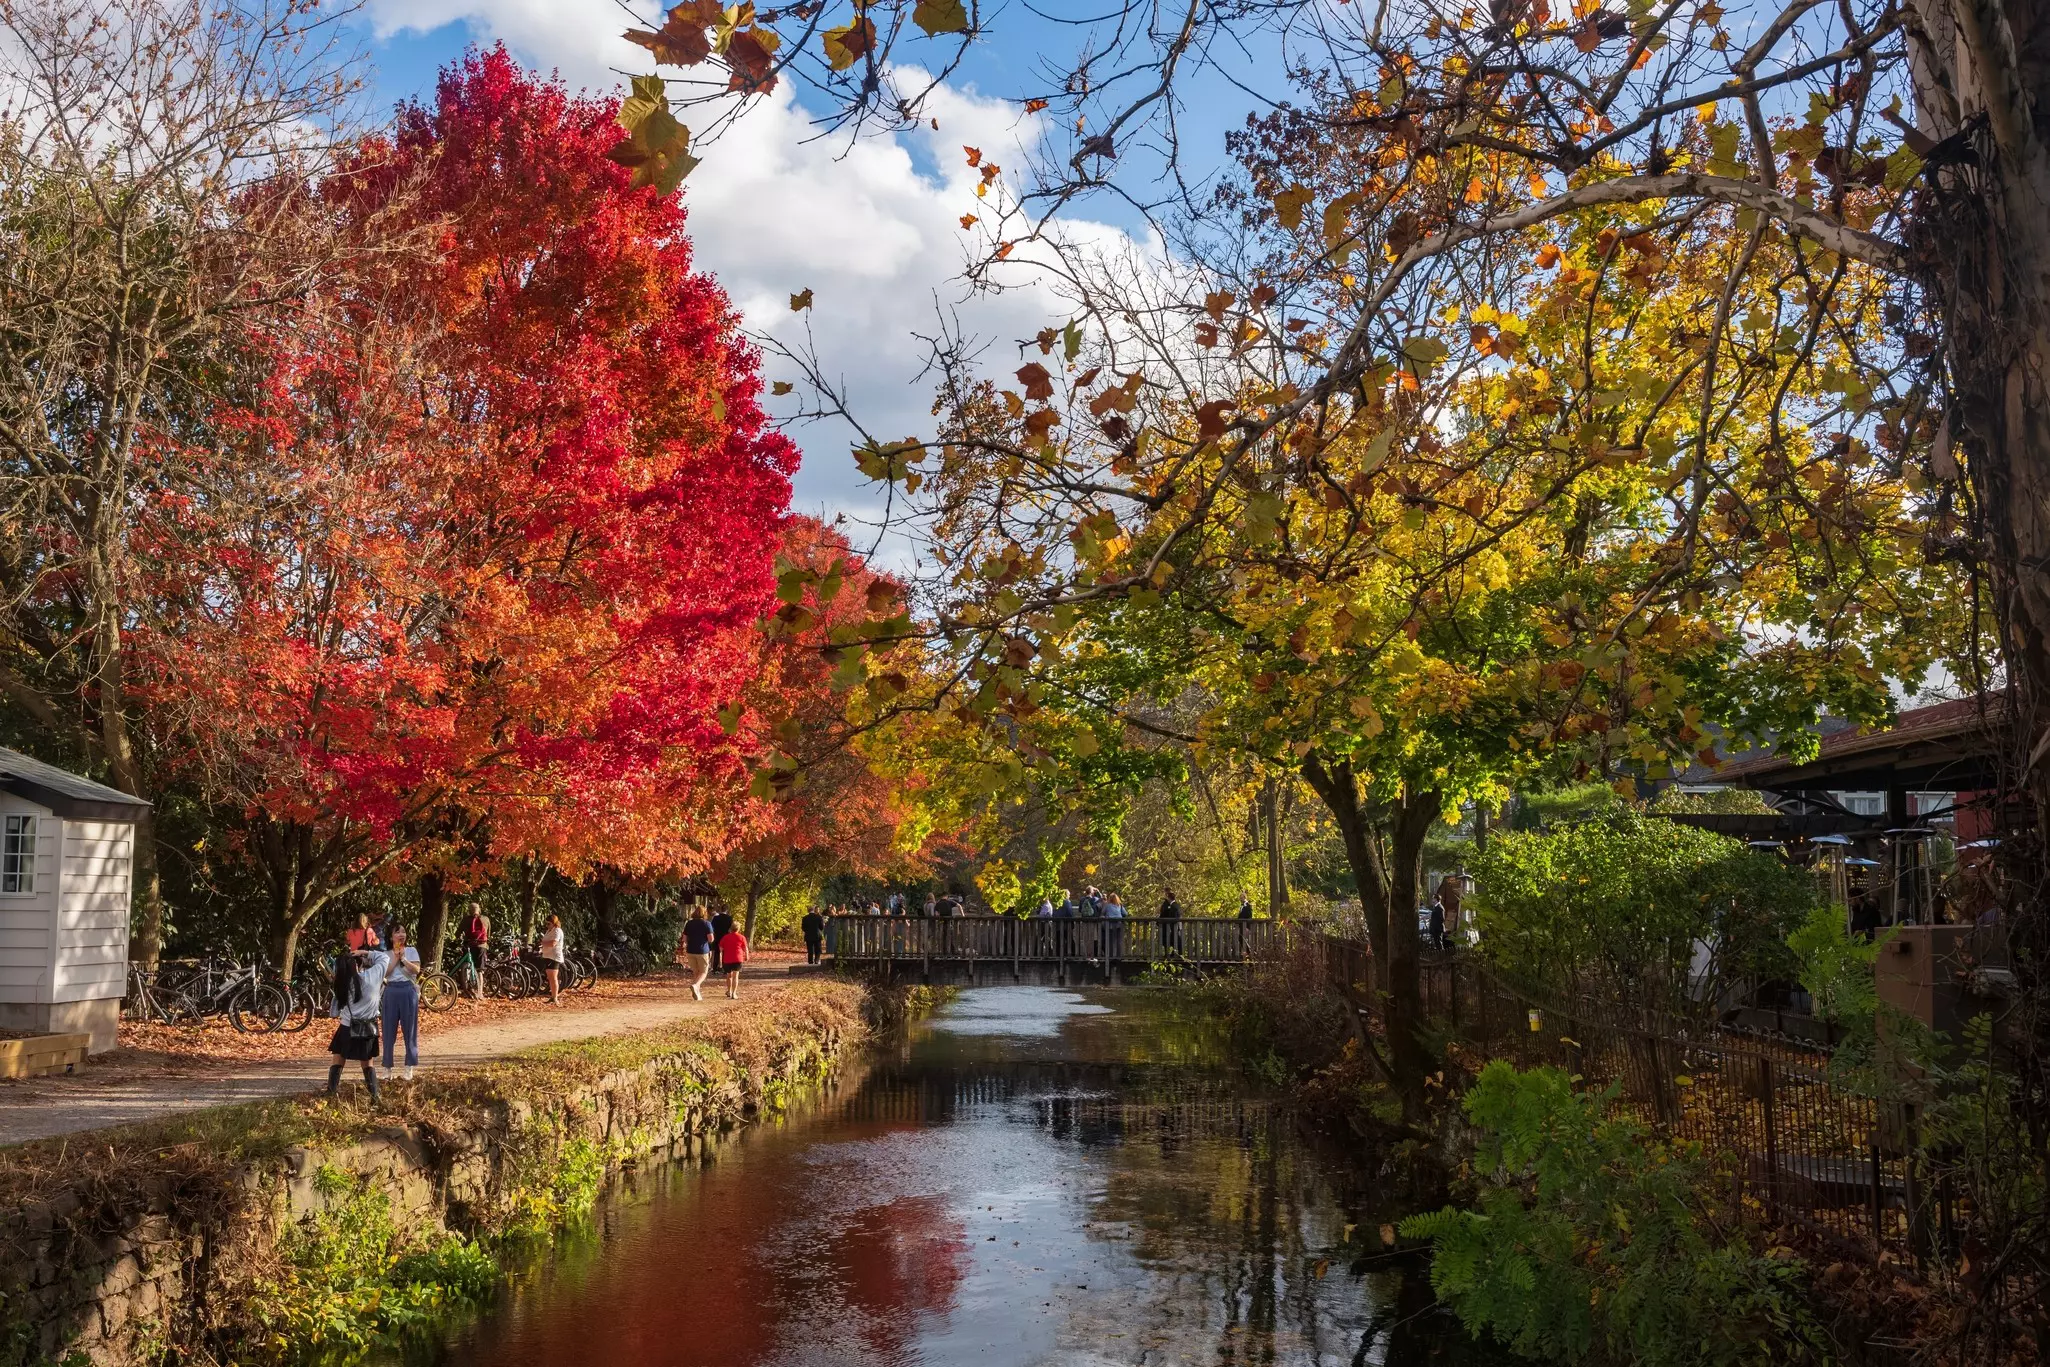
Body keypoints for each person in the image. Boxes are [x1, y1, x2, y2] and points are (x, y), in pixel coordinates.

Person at [327, 940, 389, 1102]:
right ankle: (375, 1096)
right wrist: (364, 953)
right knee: (367, 1064)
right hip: (368, 1027)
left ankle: (331, 1093)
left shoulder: (341, 984)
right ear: (355, 965)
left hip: (347, 1026)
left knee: (338, 1058)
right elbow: (385, 958)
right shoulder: (371, 977)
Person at [380, 924, 422, 1081]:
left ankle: (409, 1067)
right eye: (397, 932)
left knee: (409, 1030)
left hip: (408, 991)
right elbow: (386, 973)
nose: (401, 934)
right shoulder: (386, 954)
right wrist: (396, 957)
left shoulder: (411, 951)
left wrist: (403, 958)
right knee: (388, 1031)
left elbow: (416, 970)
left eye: (403, 931)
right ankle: (387, 1068)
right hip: (391, 991)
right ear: (391, 937)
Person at [682, 907, 715, 1000]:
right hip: (702, 950)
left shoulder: (689, 923)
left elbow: (684, 938)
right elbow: (711, 939)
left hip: (690, 950)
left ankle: (697, 993)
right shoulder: (706, 924)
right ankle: (696, 985)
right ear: (704, 913)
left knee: (696, 972)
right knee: (704, 972)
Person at [459, 903, 490, 1000]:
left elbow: (458, 933)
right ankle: (480, 993)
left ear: (469, 910)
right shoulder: (486, 919)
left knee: (467, 967)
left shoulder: (466, 920)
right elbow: (488, 933)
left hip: (469, 946)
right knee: (480, 970)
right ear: (479, 909)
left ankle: (467, 990)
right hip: (482, 946)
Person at [537, 914, 567, 1005]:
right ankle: (553, 996)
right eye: (546, 924)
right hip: (547, 955)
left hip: (553, 957)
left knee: (553, 977)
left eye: (549, 924)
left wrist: (542, 943)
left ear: (554, 923)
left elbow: (553, 943)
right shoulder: (549, 930)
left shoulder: (557, 931)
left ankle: (555, 998)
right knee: (550, 977)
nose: (547, 926)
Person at [718, 922, 749, 999]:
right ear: (738, 929)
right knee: (736, 976)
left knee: (729, 976)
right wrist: (746, 956)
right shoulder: (742, 937)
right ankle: (734, 993)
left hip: (727, 958)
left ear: (731, 928)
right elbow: (745, 948)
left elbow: (721, 949)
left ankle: (729, 991)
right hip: (738, 958)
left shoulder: (725, 937)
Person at [710, 904, 735, 973]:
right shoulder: (729, 918)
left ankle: (715, 968)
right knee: (725, 953)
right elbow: (731, 928)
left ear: (721, 909)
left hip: (717, 937)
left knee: (717, 953)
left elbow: (711, 927)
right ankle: (725, 968)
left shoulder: (716, 918)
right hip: (726, 937)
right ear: (727, 910)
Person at [1158, 889, 1183, 953]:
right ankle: (1174, 953)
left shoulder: (1173, 906)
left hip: (1172, 925)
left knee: (1174, 939)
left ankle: (1176, 953)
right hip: (1172, 925)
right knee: (1173, 939)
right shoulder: (1175, 905)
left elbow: (1171, 915)